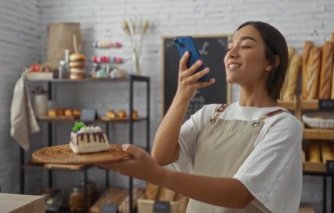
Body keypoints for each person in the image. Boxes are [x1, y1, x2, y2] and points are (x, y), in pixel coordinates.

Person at [99, 21, 303, 213]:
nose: (231, 52)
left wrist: (154, 175)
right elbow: (162, 155)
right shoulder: (210, 114)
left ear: (271, 62)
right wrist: (183, 93)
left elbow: (238, 194)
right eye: (230, 46)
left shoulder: (283, 125)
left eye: (246, 46)